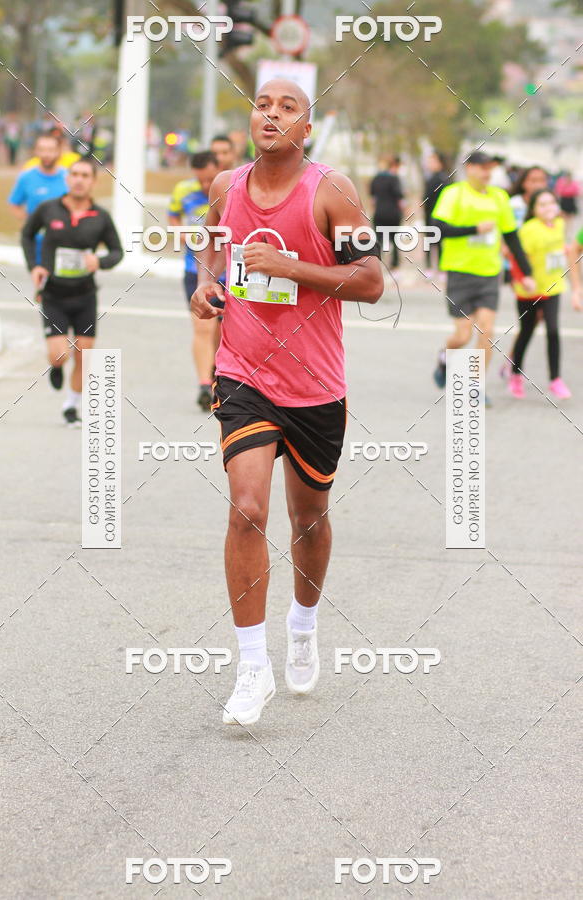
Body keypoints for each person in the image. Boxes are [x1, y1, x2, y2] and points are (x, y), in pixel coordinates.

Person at [191, 78, 384, 726]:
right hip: (243, 374)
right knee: (247, 510)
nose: (271, 114)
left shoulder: (332, 192)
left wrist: (291, 267)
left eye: (287, 107)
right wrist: (208, 284)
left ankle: (303, 623)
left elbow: (372, 281)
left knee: (309, 519)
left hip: (315, 386)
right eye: (263, 105)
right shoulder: (226, 186)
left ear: (307, 128)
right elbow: (212, 241)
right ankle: (252, 667)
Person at [21, 159, 123, 425]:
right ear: (67, 179)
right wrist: (35, 266)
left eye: (85, 175)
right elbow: (27, 235)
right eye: (75, 174)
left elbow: (117, 252)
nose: (79, 179)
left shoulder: (100, 217)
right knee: (60, 355)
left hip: (85, 295)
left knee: (84, 354)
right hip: (53, 294)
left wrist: (99, 261)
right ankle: (56, 366)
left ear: (93, 182)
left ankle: (71, 405)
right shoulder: (49, 209)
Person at [430, 150, 536, 404]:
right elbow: (437, 229)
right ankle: (445, 356)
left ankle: (476, 387)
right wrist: (474, 229)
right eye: (482, 167)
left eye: (491, 168)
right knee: (463, 335)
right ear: (469, 168)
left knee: (487, 330)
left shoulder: (500, 197)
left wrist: (526, 273)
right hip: (460, 272)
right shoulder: (454, 193)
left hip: (489, 273)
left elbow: (511, 236)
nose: (487, 172)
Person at [508, 190, 580, 399]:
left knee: (553, 331)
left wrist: (564, 250)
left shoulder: (559, 224)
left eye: (551, 203)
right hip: (530, 291)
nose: (548, 208)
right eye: (542, 204)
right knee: (526, 332)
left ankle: (555, 379)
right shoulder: (528, 230)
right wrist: (523, 279)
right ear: (533, 209)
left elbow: (557, 248)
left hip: (553, 287)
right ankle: (515, 374)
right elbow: (516, 258)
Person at [168, 150, 223, 410]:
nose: (205, 185)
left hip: (227, 272)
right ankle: (204, 385)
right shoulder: (183, 191)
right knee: (203, 327)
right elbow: (173, 217)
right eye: (200, 180)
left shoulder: (230, 190)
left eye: (210, 179)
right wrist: (181, 234)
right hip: (195, 270)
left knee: (222, 331)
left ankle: (216, 373)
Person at [498, 165, 549, 380]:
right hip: (518, 267)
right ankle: (513, 363)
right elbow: (506, 234)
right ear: (524, 182)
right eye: (533, 180)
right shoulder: (515, 204)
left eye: (541, 180)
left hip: (542, 268)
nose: (537, 184)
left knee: (536, 317)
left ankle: (512, 359)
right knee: (530, 316)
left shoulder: (547, 203)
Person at [9, 134, 68, 264]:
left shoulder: (69, 177)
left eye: (50, 150)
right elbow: (14, 203)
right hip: (37, 244)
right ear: (35, 151)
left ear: (59, 151)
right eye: (41, 149)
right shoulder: (26, 177)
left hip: (65, 243)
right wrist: (29, 223)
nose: (46, 154)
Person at [370, 156, 404, 270]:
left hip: (379, 213)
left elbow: (372, 199)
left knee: (379, 239)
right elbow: (400, 198)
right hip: (393, 214)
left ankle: (377, 264)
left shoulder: (375, 179)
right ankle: (394, 264)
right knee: (395, 239)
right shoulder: (394, 179)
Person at [423, 151, 451, 274]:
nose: (429, 164)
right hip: (435, 214)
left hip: (435, 214)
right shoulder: (443, 177)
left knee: (433, 241)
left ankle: (433, 268)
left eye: (432, 161)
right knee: (435, 241)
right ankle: (436, 268)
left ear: (440, 163)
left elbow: (427, 198)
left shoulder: (438, 178)